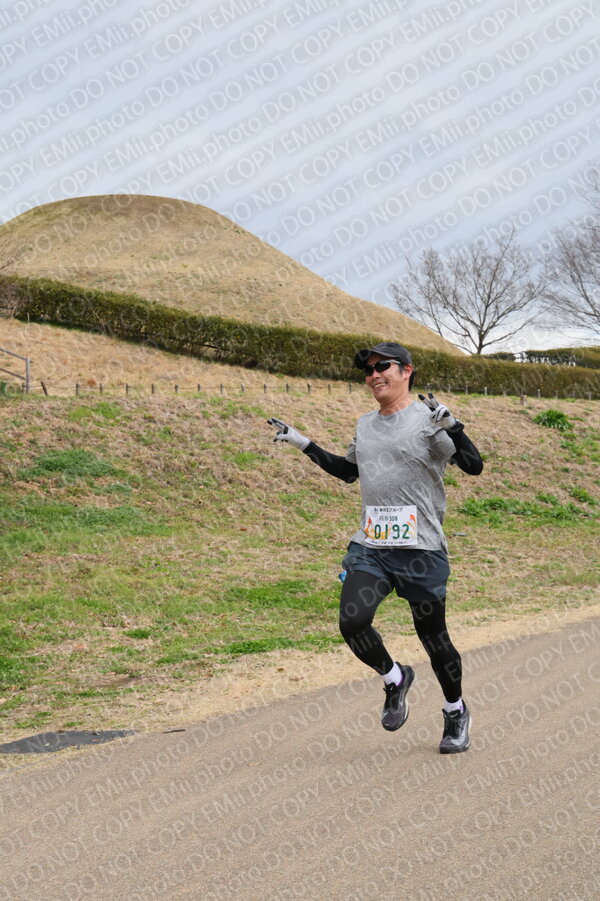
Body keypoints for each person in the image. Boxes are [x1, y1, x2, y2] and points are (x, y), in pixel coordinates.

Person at [268, 342, 483, 754]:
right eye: (367, 371)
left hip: (421, 550)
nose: (373, 375)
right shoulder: (365, 424)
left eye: (382, 366)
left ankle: (455, 710)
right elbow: (349, 471)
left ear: (406, 371)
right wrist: (303, 443)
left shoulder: (429, 421)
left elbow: (473, 466)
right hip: (372, 546)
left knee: (435, 641)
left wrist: (455, 428)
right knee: (353, 621)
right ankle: (394, 678)